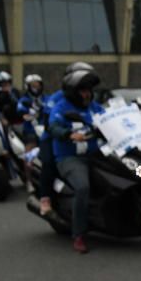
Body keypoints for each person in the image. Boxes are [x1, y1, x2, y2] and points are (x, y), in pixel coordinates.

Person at [49, 68, 104, 254]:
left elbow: (109, 118)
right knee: (83, 188)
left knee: (128, 173)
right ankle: (79, 234)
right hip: (70, 158)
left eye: (88, 89)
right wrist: (69, 134)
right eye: (83, 90)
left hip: (97, 155)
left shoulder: (94, 107)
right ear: (73, 91)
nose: (87, 93)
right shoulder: (61, 108)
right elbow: (53, 127)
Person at [38, 61, 95, 215]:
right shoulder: (56, 99)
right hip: (52, 138)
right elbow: (50, 125)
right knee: (49, 162)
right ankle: (45, 198)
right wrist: (66, 133)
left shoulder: (90, 99)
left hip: (82, 139)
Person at [17, 74, 45, 146]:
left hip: (46, 130)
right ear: (27, 86)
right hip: (31, 131)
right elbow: (23, 115)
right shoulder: (23, 100)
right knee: (30, 144)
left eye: (38, 85)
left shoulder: (47, 98)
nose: (37, 88)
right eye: (33, 86)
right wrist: (36, 114)